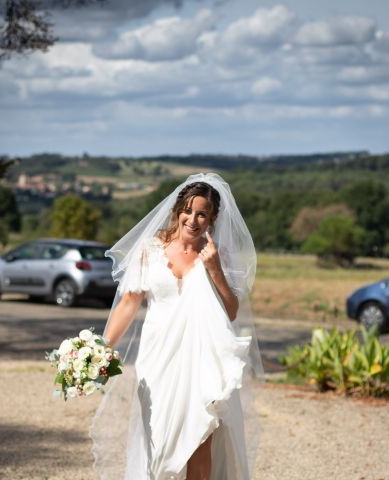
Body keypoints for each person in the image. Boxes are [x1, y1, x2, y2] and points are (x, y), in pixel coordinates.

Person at [90, 173, 262, 480]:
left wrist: (215, 270)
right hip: (158, 360)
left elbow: (232, 311)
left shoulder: (217, 254)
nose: (193, 220)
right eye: (188, 211)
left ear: (213, 218)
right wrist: (100, 350)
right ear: (176, 210)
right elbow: (128, 304)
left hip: (202, 361)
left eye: (202, 214)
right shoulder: (149, 250)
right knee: (156, 443)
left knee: (199, 437)